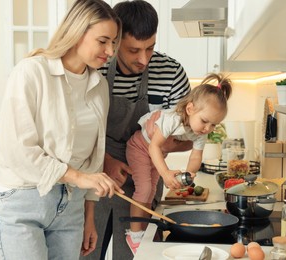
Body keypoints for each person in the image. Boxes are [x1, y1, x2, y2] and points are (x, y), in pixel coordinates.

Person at [0, 0, 124, 259]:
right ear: (77, 33)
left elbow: (93, 159)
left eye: (114, 42)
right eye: (103, 41)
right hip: (24, 201)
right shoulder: (31, 72)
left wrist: (89, 217)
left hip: (71, 206)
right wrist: (79, 177)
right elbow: (15, 151)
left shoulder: (98, 87)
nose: (110, 51)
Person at [85, 1, 192, 259]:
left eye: (150, 47)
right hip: (96, 176)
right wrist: (104, 161)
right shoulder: (93, 68)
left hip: (145, 179)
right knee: (87, 250)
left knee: (139, 255)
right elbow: (75, 133)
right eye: (134, 50)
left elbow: (190, 137)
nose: (144, 59)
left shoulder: (172, 73)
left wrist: (158, 145)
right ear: (115, 40)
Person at [125, 73, 232, 253]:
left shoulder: (201, 132)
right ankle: (134, 234)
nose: (208, 129)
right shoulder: (172, 118)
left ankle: (142, 230)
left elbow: (196, 157)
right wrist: (166, 173)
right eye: (205, 121)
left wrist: (189, 174)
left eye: (214, 125)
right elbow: (154, 147)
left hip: (156, 153)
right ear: (190, 109)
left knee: (150, 191)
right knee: (143, 188)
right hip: (140, 148)